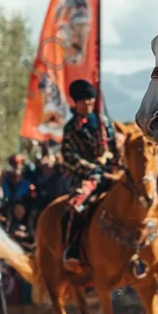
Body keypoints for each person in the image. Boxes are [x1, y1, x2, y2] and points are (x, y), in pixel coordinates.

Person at [60, 78, 119, 271]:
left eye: (91, 100)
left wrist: (112, 158)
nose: (88, 104)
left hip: (110, 173)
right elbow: (69, 157)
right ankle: (72, 248)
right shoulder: (71, 128)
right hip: (85, 177)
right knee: (75, 207)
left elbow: (113, 148)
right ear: (75, 103)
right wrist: (93, 167)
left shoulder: (104, 123)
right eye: (84, 100)